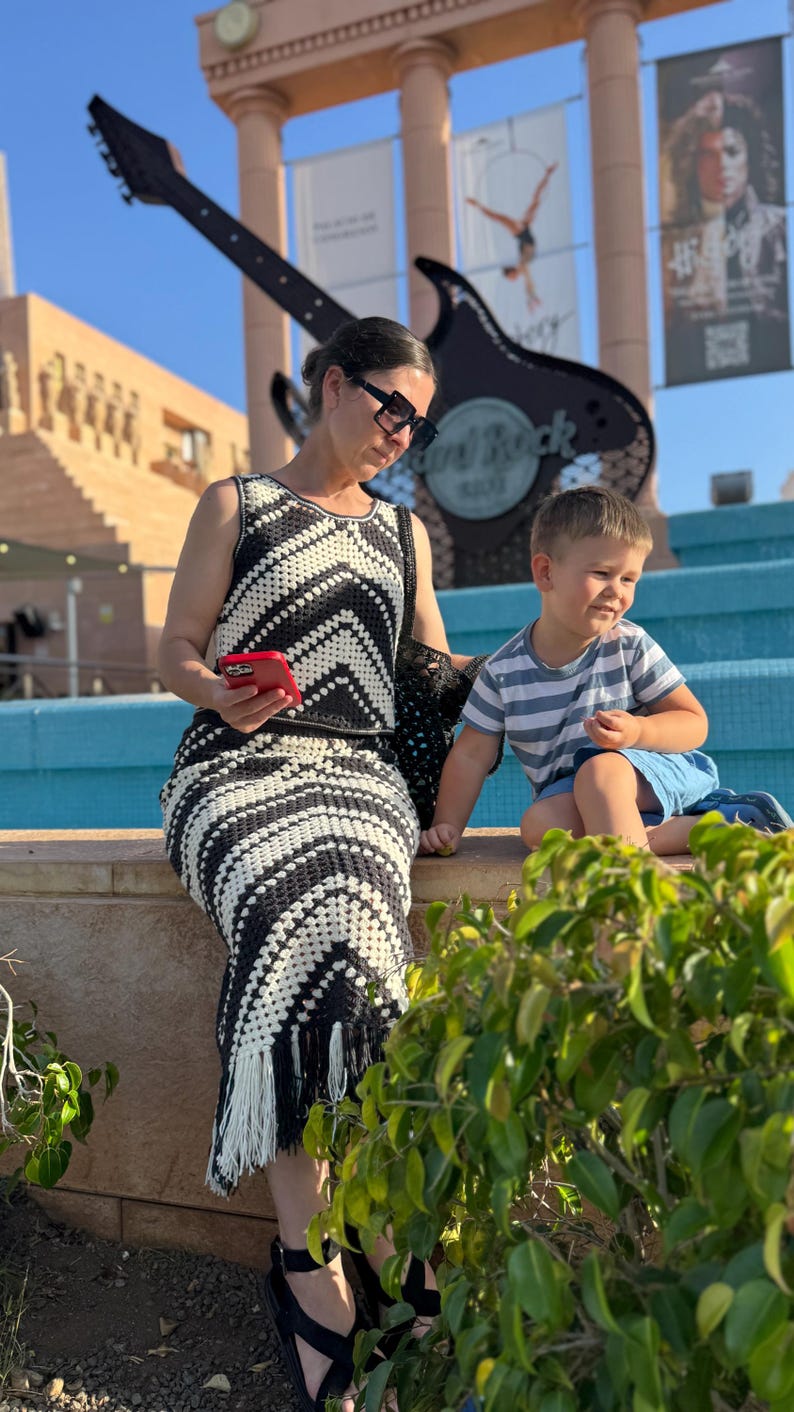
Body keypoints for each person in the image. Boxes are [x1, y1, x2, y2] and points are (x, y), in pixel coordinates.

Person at [158, 317, 457, 1412]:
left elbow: (424, 662)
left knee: (359, 939)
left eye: (416, 423)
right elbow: (173, 647)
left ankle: (375, 1227)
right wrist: (217, 689)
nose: (400, 434)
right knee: (290, 902)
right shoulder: (236, 503)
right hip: (232, 768)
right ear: (332, 384)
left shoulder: (402, 530)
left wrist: (553, 659)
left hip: (360, 778)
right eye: (390, 407)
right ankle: (306, 1256)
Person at [420, 485, 792, 861]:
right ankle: (718, 827)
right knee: (540, 828)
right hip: (574, 795)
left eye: (629, 579)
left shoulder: (628, 644)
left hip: (649, 774)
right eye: (602, 573)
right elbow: (470, 756)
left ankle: (632, 885)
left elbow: (694, 721)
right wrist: (447, 824)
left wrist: (638, 731)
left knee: (598, 772)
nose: (617, 591)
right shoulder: (503, 673)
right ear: (546, 572)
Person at [661, 89, 788, 378]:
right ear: (691, 164)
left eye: (732, 151)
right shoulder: (670, 244)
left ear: (750, 156)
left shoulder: (781, 229)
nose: (722, 167)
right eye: (708, 154)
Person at [466, 161, 558, 313]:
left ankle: (476, 204)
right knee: (534, 201)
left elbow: (527, 281)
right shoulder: (523, 266)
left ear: (512, 272)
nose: (514, 279)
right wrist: (531, 298)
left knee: (501, 216)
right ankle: (547, 173)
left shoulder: (521, 265)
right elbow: (528, 282)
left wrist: (531, 297)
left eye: (512, 278)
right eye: (513, 279)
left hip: (522, 234)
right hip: (524, 235)